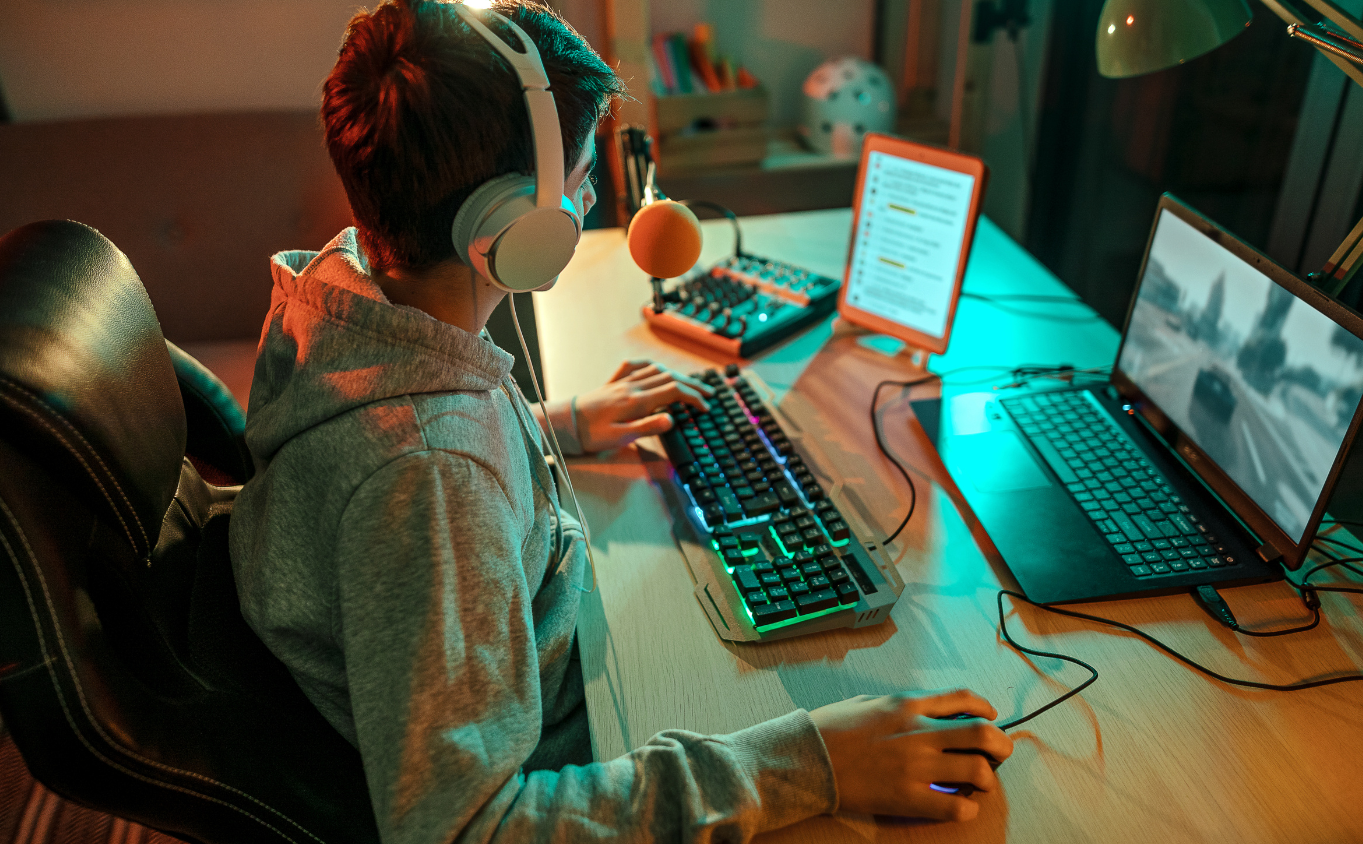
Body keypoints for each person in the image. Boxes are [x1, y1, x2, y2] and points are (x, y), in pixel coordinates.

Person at [228, 1, 1013, 841]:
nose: (591, 195)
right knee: (942, 810)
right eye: (575, 181)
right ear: (508, 230)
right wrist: (804, 763)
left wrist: (554, 423)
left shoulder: (347, 294)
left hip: (537, 648)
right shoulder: (427, 483)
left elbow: (420, 440)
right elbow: (462, 828)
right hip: (572, 740)